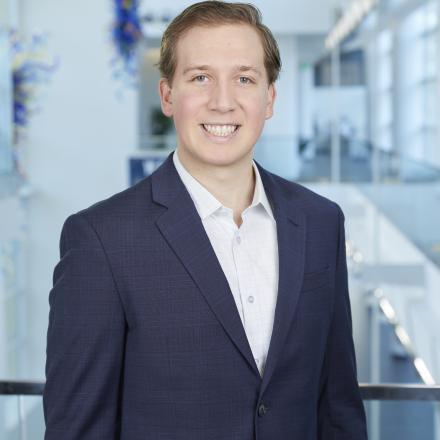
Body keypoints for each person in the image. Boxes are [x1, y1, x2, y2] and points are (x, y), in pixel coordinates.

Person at [43, 1, 368, 439]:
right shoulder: (102, 240)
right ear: (168, 96)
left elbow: (339, 409)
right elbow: (78, 428)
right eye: (200, 78)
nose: (222, 102)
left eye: (244, 79)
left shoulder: (321, 223)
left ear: (269, 98)